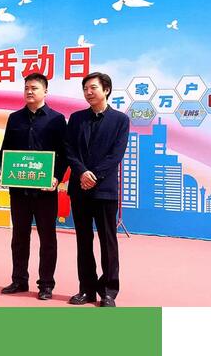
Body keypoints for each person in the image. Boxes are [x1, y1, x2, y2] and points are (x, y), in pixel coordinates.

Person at [0, 73, 67, 300]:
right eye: (26, 87)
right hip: (19, 189)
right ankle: (19, 280)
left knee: (47, 238)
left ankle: (46, 284)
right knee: (19, 236)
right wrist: (4, 172)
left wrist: (56, 177)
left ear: (45, 91)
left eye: (34, 88)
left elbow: (64, 153)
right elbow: (5, 150)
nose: (29, 91)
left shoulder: (56, 119)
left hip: (45, 191)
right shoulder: (14, 118)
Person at [65, 72, 130, 307]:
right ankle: (86, 289)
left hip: (105, 190)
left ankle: (109, 291)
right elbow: (69, 149)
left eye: (93, 88)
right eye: (85, 89)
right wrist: (82, 173)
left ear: (107, 90)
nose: (88, 92)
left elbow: (116, 154)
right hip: (79, 189)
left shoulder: (120, 120)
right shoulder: (76, 118)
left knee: (108, 241)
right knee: (83, 241)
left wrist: (94, 176)